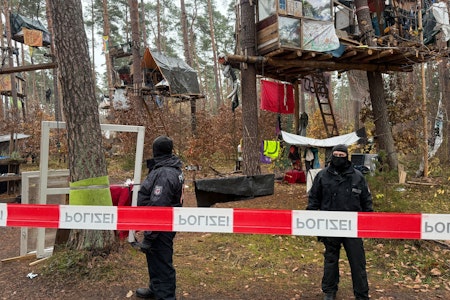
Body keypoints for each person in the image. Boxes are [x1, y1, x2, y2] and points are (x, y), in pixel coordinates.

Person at [306, 144, 372, 300]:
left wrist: (369, 223)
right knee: (330, 260)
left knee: (358, 262)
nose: (338, 158)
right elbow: (314, 199)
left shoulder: (357, 177)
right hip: (329, 226)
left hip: (353, 227)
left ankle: (361, 294)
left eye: (341, 156)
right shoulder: (322, 176)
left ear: (347, 157)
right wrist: (310, 219)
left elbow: (366, 201)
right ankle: (329, 291)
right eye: (336, 155)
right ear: (331, 156)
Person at [135, 135, 184, 300]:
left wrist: (149, 235)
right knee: (154, 258)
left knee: (162, 261)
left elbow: (158, 208)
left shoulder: (165, 173)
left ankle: (166, 296)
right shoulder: (168, 167)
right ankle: (156, 288)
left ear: (156, 151)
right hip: (160, 225)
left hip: (161, 226)